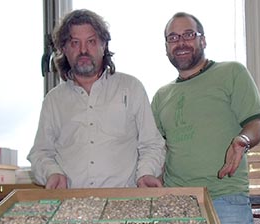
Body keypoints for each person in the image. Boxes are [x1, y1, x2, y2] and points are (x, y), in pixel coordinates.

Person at [151, 12, 260, 224]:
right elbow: (157, 149)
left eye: (188, 35)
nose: (181, 42)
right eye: (173, 38)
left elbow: (256, 124)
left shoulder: (232, 72)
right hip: (175, 204)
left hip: (225, 200)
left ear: (203, 40)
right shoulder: (161, 96)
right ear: (166, 48)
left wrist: (241, 141)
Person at [27, 9, 165, 189]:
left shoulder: (131, 88)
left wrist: (146, 173)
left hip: (125, 203)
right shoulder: (54, 100)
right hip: (71, 205)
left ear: (104, 45)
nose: (83, 50)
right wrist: (52, 173)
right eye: (75, 42)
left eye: (91, 41)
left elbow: (152, 144)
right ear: (63, 49)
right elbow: (41, 153)